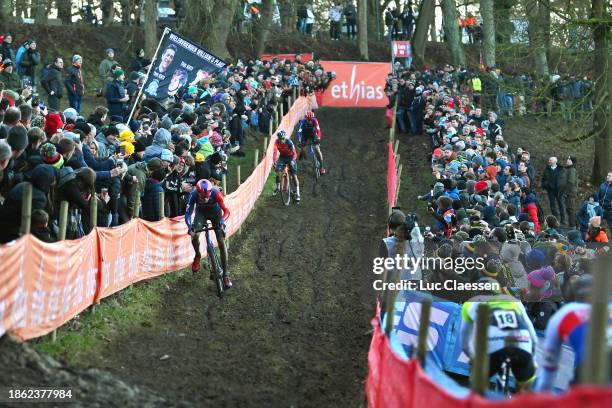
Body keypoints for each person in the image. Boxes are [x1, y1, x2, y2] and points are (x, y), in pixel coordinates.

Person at [536, 275, 611, 391]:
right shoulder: (608, 308)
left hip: (591, 368)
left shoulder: (567, 311)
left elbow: (548, 367)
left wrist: (542, 393)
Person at [460, 292, 538, 391]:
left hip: (494, 343)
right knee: (526, 385)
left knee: (476, 383)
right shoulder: (515, 301)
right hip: (522, 341)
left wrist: (473, 357)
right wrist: (533, 360)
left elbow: (464, 344)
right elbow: (533, 336)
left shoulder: (470, 303)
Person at [184, 179, 232, 289]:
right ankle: (198, 255)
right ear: (198, 193)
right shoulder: (193, 194)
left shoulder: (216, 193)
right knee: (194, 235)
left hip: (216, 214)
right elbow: (188, 213)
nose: (205, 199)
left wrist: (222, 221)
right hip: (201, 214)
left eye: (207, 197)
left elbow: (226, 211)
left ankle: (225, 275)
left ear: (210, 193)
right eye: (203, 197)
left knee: (221, 241)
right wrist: (190, 227)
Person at [273, 130, 300, 202]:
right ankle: (278, 187)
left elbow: (294, 153)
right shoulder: (276, 142)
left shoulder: (289, 142)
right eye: (280, 139)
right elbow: (275, 152)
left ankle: (298, 193)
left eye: (282, 139)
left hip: (291, 157)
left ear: (284, 137)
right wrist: (274, 160)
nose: (281, 141)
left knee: (294, 176)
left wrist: (292, 160)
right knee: (278, 172)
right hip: (282, 157)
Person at [542, 156, 563, 223]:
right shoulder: (547, 169)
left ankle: (563, 220)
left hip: (560, 190)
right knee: (553, 205)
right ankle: (555, 220)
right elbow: (543, 179)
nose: (549, 161)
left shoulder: (561, 169)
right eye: (549, 160)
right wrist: (546, 185)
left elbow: (564, 179)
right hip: (550, 190)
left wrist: (561, 186)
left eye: (550, 160)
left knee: (561, 204)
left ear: (555, 161)